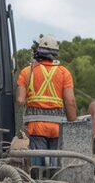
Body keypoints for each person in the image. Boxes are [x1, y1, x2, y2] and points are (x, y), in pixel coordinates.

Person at [16, 34, 76, 166]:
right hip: (57, 128)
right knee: (56, 165)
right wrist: (73, 125)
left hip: (36, 127)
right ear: (55, 54)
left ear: (39, 51)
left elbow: (20, 100)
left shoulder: (27, 72)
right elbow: (70, 101)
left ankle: (38, 182)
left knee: (38, 169)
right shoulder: (64, 72)